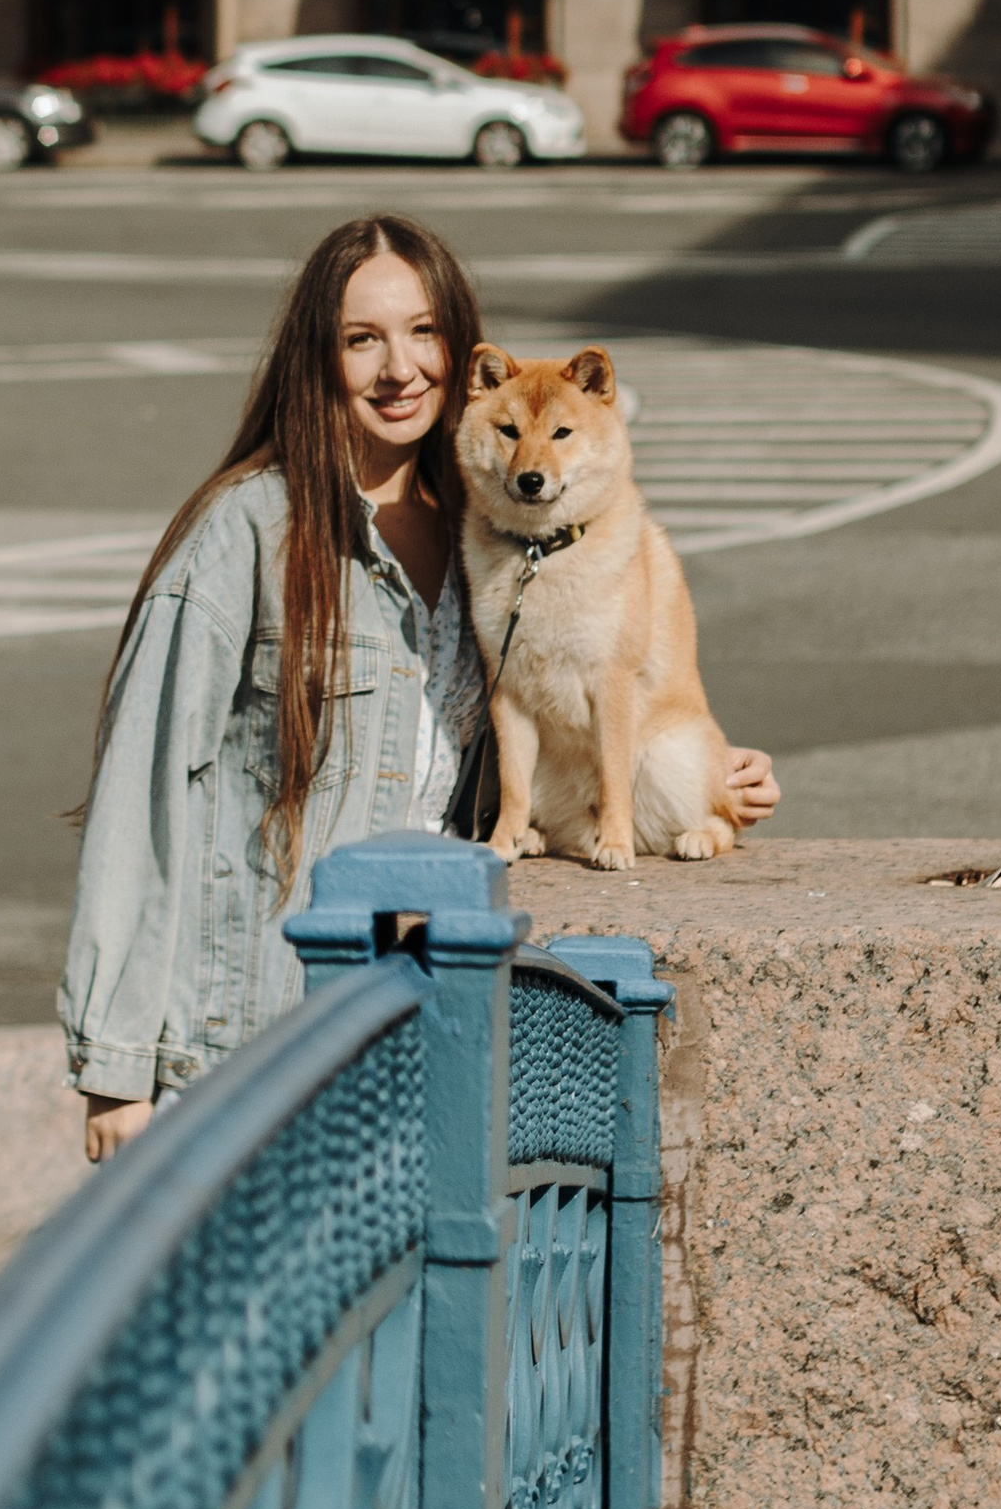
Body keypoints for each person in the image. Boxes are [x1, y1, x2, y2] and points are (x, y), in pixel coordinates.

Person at [61, 211, 779, 1162]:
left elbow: (519, 749)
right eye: (362, 339)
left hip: (423, 1034)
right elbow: (143, 796)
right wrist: (116, 1070)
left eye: (422, 334)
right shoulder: (246, 534)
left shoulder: (490, 536)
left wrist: (696, 774)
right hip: (256, 1035)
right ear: (317, 359)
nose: (398, 368)